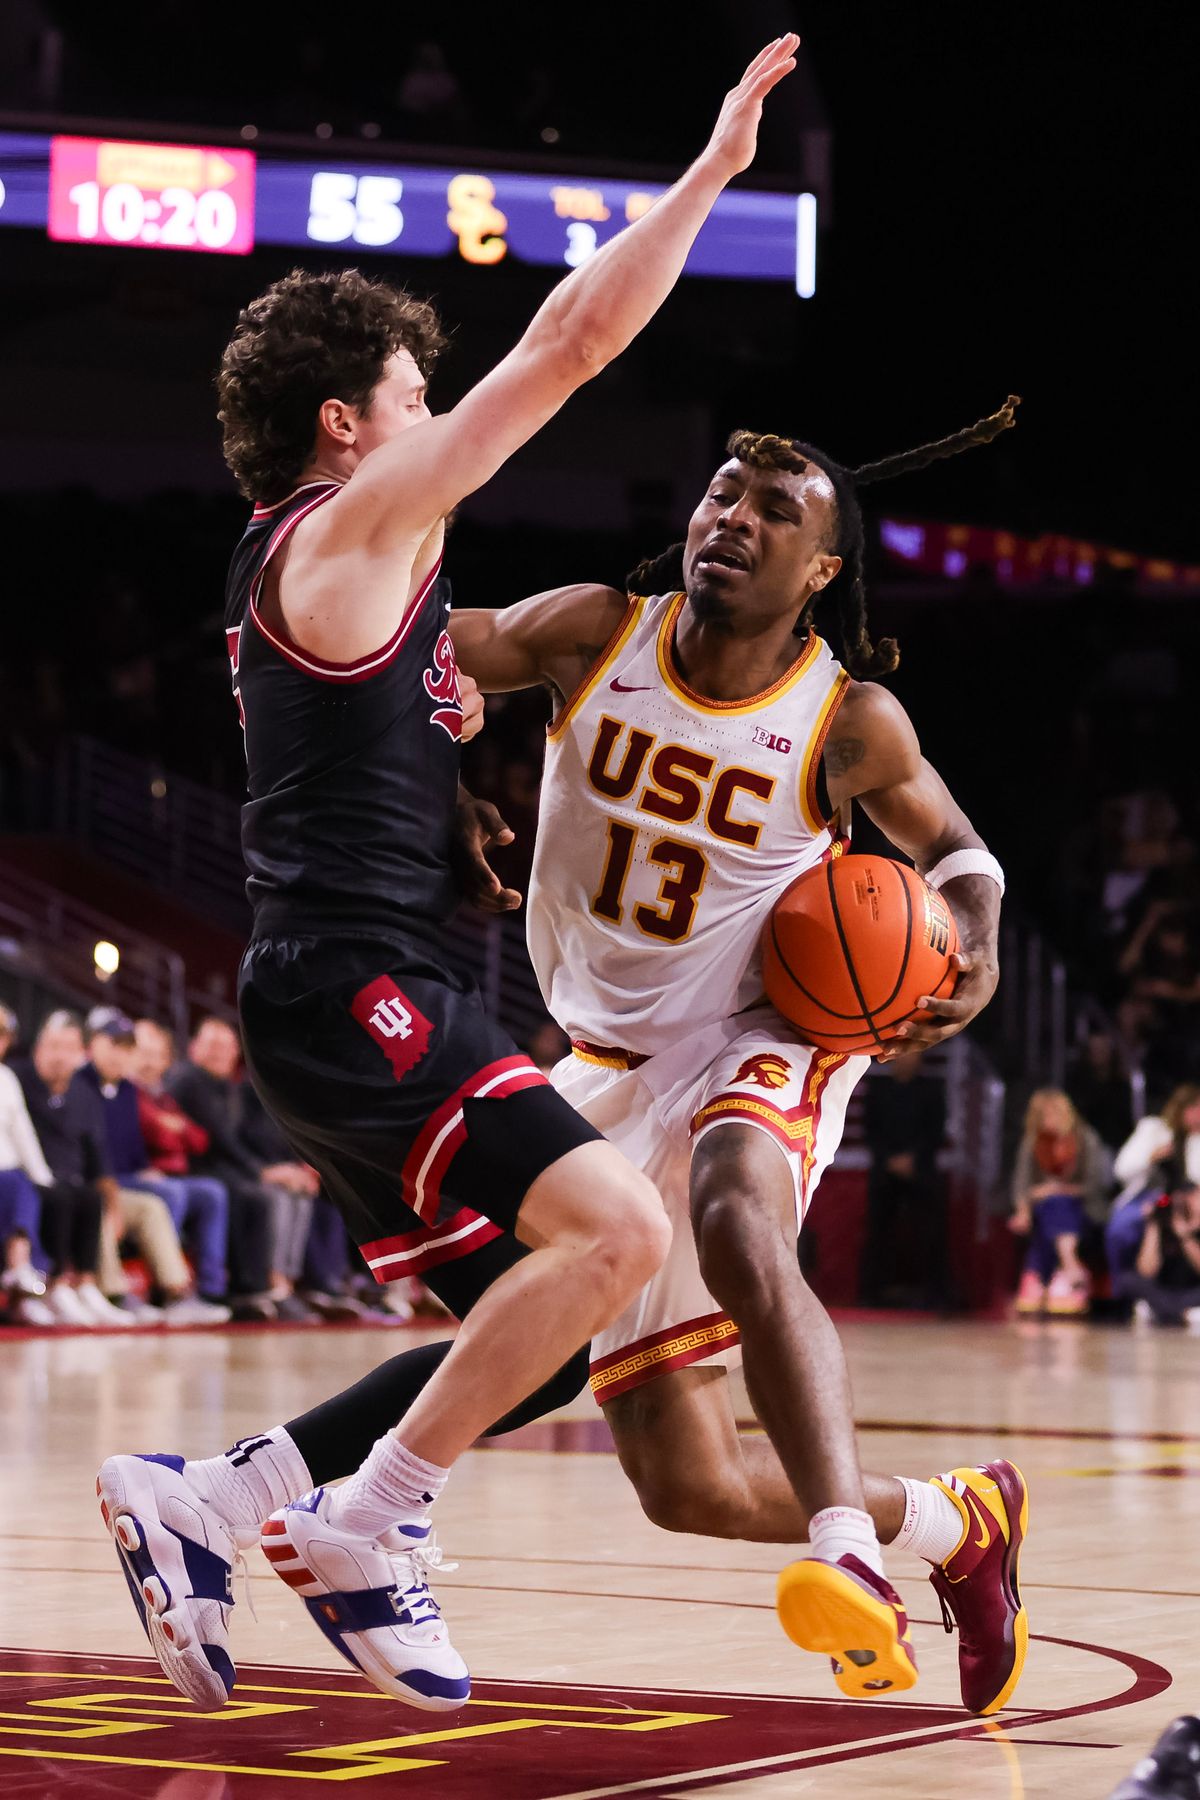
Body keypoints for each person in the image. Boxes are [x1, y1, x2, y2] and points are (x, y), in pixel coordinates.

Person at [97, 36, 801, 1717]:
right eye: (420, 399)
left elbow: (359, 749)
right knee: (621, 1231)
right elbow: (568, 340)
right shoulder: (340, 529)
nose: (445, 421)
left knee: (549, 1335)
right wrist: (709, 172)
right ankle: (364, 1524)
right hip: (357, 990)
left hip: (357, 988)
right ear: (348, 425)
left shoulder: (360, 580)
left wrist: (444, 804)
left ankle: (219, 1498)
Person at [440, 412, 1020, 1709]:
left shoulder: (847, 718)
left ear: (821, 569)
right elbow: (408, 656)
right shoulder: (594, 632)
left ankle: (846, 1557)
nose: (734, 520)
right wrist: (444, 778)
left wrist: (971, 944)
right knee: (686, 1485)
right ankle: (958, 1523)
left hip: (773, 1028)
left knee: (738, 1216)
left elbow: (963, 852)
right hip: (608, 1054)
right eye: (722, 493)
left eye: (774, 511)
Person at [13, 1011, 192, 1325]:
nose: (59, 1056)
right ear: (37, 1049)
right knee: (74, 1197)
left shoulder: (87, 1094)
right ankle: (101, 1291)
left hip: (86, 1183)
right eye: (53, 1047)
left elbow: (98, 1158)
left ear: (78, 1053)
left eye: (67, 1048)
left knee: (126, 1202)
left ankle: (172, 1292)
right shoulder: (20, 1081)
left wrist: (112, 1200)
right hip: (37, 1181)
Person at [79, 1009, 231, 1324]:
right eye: (112, 1045)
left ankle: (183, 1292)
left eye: (125, 1047)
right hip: (97, 1180)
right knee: (168, 1194)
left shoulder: (126, 1090)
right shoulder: (82, 1085)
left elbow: (194, 1140)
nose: (120, 1055)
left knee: (198, 1194)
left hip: (130, 1176)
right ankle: (135, 1294)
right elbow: (92, 1150)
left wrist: (146, 1166)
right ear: (93, 1044)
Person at [164, 1017, 303, 1320]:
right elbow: (220, 1138)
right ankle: (245, 1286)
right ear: (194, 1047)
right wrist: (261, 1171)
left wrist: (283, 1168)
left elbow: (243, 1140)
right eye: (212, 1045)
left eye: (226, 1047)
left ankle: (275, 1284)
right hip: (192, 1167)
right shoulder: (188, 1079)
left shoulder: (229, 1087)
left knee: (285, 1193)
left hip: (220, 1166)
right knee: (253, 1194)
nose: (219, 1053)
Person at [859, 1051, 951, 1310]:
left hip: (920, 1169)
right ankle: (870, 1294)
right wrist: (889, 1159)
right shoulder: (878, 1089)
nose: (907, 1060)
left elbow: (936, 1131)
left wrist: (913, 1159)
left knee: (930, 1230)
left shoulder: (931, 1090)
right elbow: (870, 1129)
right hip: (884, 1169)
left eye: (912, 1056)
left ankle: (936, 1295)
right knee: (878, 1231)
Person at [1008, 1089, 1109, 1316]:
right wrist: (1025, 1209)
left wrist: (1061, 1190)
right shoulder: (1032, 1142)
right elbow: (1021, 1185)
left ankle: (1041, 1274)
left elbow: (1096, 1185)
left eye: (1053, 1114)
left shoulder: (1085, 1138)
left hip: (1083, 1208)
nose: (1048, 1120)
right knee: (1052, 1205)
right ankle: (1070, 1269)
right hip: (1042, 1209)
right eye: (1042, 1115)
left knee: (1058, 1203)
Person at [1106, 1085, 1200, 1285]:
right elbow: (1122, 1169)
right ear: (1181, 1108)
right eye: (1195, 1108)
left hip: (1186, 1201)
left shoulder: (1197, 1140)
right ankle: (1123, 1290)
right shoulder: (1154, 1129)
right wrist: (1152, 1156)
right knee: (1121, 1229)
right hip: (1150, 1198)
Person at [1115, 1185, 1200, 1327]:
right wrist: (1153, 1224)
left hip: (1191, 1291)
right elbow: (1146, 1272)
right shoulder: (1160, 1225)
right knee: (1128, 1280)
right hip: (1164, 1291)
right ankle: (1180, 1313)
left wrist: (1186, 1236)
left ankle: (1167, 1312)